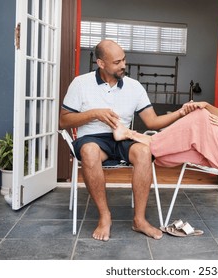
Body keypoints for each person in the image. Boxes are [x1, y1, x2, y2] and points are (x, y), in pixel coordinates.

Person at [59, 39, 194, 241]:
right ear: (101, 63)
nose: (123, 65)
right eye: (117, 62)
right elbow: (63, 121)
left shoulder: (134, 86)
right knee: (89, 151)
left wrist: (181, 112)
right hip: (92, 139)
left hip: (122, 137)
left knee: (143, 151)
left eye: (124, 59)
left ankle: (139, 220)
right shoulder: (80, 83)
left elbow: (153, 121)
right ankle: (105, 216)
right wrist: (94, 114)